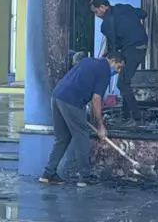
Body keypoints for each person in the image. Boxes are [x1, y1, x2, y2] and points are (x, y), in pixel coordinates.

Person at [39, 50, 125, 187]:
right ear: (113, 61)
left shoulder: (89, 61)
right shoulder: (104, 71)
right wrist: (100, 126)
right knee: (82, 137)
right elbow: (96, 100)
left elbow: (90, 98)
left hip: (57, 96)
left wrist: (93, 118)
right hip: (72, 101)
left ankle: (48, 174)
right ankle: (85, 177)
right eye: (119, 67)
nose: (118, 71)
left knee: (62, 138)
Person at [90, 0, 149, 125]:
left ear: (103, 7)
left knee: (122, 83)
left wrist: (105, 57)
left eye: (96, 11)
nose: (96, 15)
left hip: (132, 50)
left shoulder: (106, 24)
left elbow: (114, 48)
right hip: (142, 46)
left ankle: (137, 119)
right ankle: (126, 116)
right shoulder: (124, 7)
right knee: (124, 80)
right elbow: (143, 13)